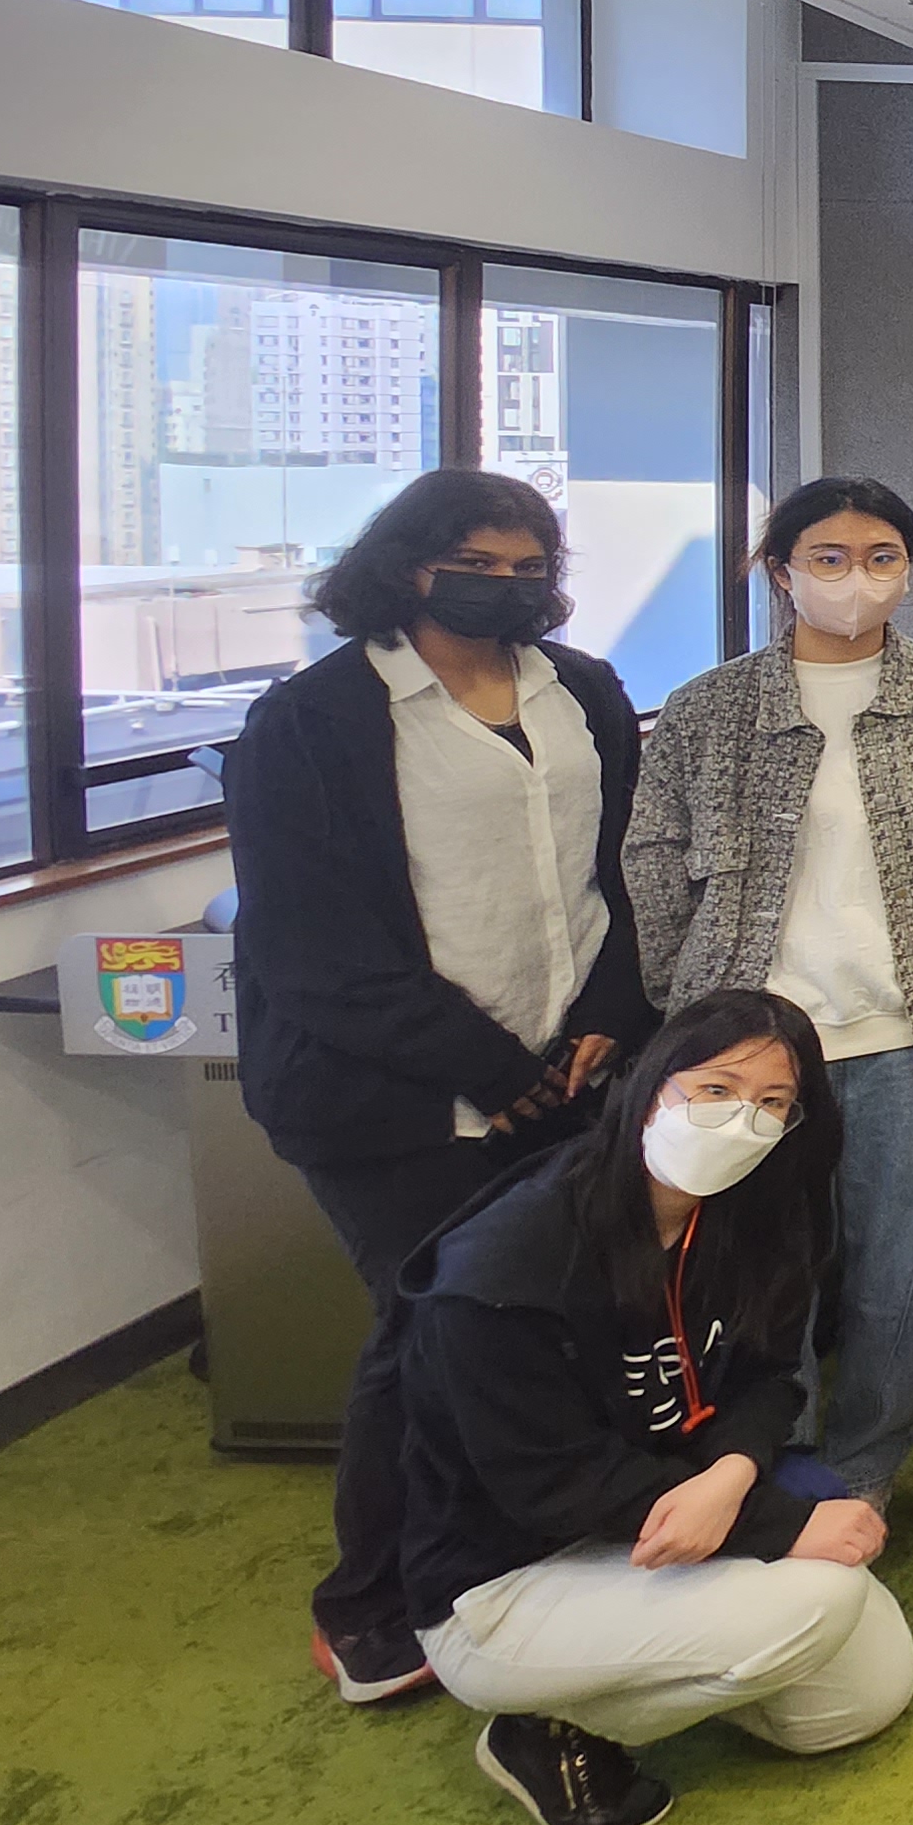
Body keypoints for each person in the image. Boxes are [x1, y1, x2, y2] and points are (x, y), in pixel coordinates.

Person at [228, 469, 653, 1709]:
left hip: (570, 1067)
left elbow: (624, 872)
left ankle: (508, 1545)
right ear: (408, 566)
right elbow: (308, 949)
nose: (509, 584)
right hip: (392, 1100)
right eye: (479, 562)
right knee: (424, 1334)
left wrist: (609, 1020)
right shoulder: (315, 719)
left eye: (531, 566)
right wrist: (492, 1070)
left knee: (552, 1318)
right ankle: (367, 1602)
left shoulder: (581, 691)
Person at [399, 994, 911, 1825]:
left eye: (773, 1104)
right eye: (715, 1087)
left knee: (864, 1698)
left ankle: (648, 1668)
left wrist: (732, 1475)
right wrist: (777, 1523)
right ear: (648, 1086)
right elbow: (548, 1485)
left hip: (669, 1510)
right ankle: (543, 1725)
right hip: (505, 1575)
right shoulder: (505, 1265)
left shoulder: (758, 1216)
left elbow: (771, 1377)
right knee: (820, 1598)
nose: (741, 1119)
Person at [627, 474, 913, 1506]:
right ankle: (767, 1461)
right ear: (779, 572)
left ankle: (864, 1468)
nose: (855, 581)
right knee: (761, 1273)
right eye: (829, 560)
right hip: (755, 1045)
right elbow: (654, 862)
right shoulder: (711, 709)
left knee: (895, 1275)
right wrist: (687, 1005)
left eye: (882, 559)